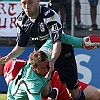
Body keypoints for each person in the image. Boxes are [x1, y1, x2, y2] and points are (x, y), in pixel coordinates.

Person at [0, 58, 100, 100]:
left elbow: (12, 92)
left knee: (96, 94)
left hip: (54, 81)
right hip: (45, 90)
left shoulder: (8, 65)